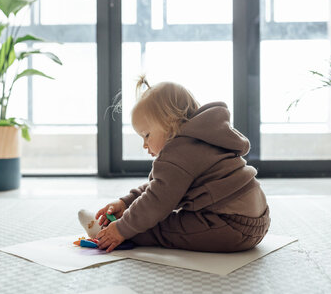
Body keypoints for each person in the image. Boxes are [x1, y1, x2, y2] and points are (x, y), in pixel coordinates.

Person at [81, 76, 270, 253]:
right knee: (148, 215)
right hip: (259, 219)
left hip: (229, 226)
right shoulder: (204, 138)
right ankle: (123, 223)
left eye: (147, 135)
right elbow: (164, 188)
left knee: (157, 227)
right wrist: (126, 202)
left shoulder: (178, 151)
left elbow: (157, 201)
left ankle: (105, 230)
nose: (145, 145)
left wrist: (122, 228)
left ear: (170, 123)